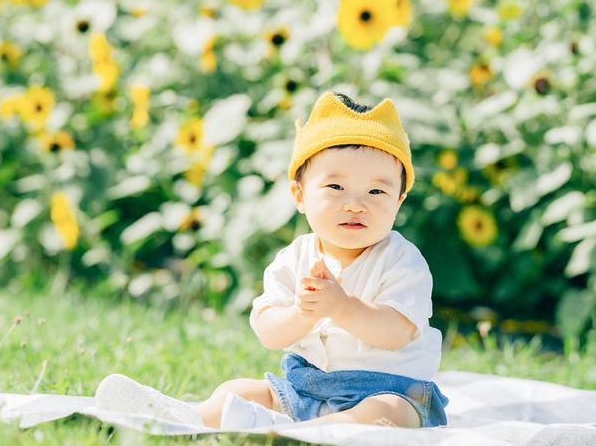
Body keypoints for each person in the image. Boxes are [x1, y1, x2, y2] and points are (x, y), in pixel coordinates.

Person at [95, 90, 449, 431]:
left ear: (399, 200)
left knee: (388, 413)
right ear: (300, 195)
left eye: (376, 191)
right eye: (335, 188)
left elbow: (397, 331)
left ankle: (309, 432)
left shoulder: (401, 260)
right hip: (306, 388)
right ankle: (183, 416)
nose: (356, 203)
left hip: (391, 389)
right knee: (238, 391)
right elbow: (268, 331)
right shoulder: (295, 257)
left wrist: (341, 307)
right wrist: (301, 313)